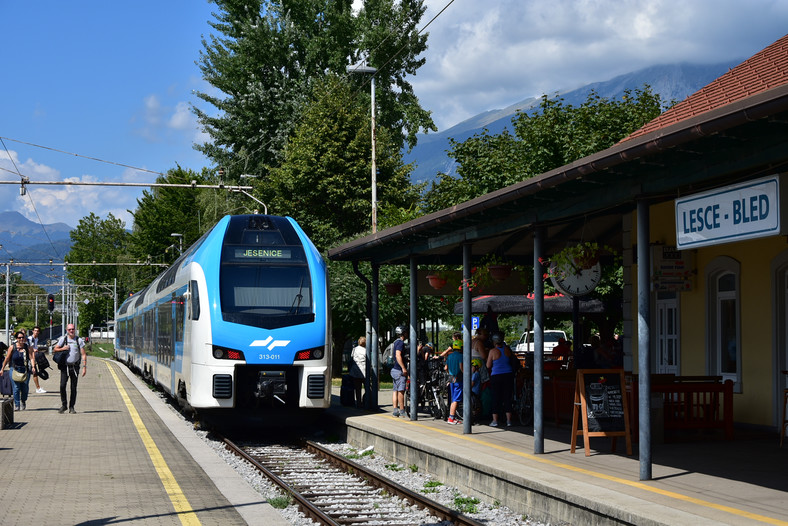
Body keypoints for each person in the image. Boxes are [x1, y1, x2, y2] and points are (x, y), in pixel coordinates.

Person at [54, 324, 87, 414]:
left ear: (75, 329)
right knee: (62, 386)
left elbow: (83, 354)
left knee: (73, 387)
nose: (71, 331)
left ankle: (71, 407)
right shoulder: (63, 339)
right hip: (65, 367)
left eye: (72, 329)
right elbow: (55, 349)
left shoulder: (78, 340)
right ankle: (64, 405)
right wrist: (63, 348)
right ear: (66, 330)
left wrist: (84, 367)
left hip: (75, 367)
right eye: (69, 329)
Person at [0, 330, 37, 410]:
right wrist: (2, 369)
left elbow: (31, 357)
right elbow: (7, 359)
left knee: (25, 388)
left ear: (24, 338)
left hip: (25, 370)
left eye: (22, 337)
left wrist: (33, 367)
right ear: (16, 338)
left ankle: (23, 401)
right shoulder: (12, 347)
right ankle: (17, 405)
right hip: (14, 369)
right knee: (16, 388)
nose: (21, 339)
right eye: (19, 337)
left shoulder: (27, 347)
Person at [486, 331, 514, 428]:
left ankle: (495, 421)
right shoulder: (507, 349)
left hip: (496, 376)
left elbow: (488, 365)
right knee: (507, 397)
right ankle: (509, 421)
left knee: (495, 397)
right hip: (508, 375)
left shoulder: (493, 351)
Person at [390, 326, 408, 417]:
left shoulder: (395, 342)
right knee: (401, 390)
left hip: (394, 370)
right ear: (403, 333)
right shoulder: (400, 343)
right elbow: (398, 355)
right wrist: (403, 368)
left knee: (395, 390)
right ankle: (402, 410)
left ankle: (395, 410)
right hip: (398, 370)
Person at [445, 341, 463, 425]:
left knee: (453, 398)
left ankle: (453, 417)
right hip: (458, 379)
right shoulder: (460, 356)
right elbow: (461, 368)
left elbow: (446, 368)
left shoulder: (450, 356)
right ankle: (451, 417)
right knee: (456, 399)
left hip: (451, 378)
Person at [349, 336, 367, 408]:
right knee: (368, 388)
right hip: (364, 371)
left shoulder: (354, 349)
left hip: (355, 372)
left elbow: (351, 358)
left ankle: (358, 403)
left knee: (357, 389)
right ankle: (365, 401)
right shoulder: (366, 350)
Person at [28, 326, 46, 393]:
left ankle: (38, 388)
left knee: (34, 372)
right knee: (32, 372)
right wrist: (33, 350)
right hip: (30, 358)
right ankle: (38, 388)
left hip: (33, 357)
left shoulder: (36, 339)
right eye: (35, 330)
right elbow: (28, 348)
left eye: (37, 331)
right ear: (32, 331)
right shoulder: (30, 338)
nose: (36, 332)